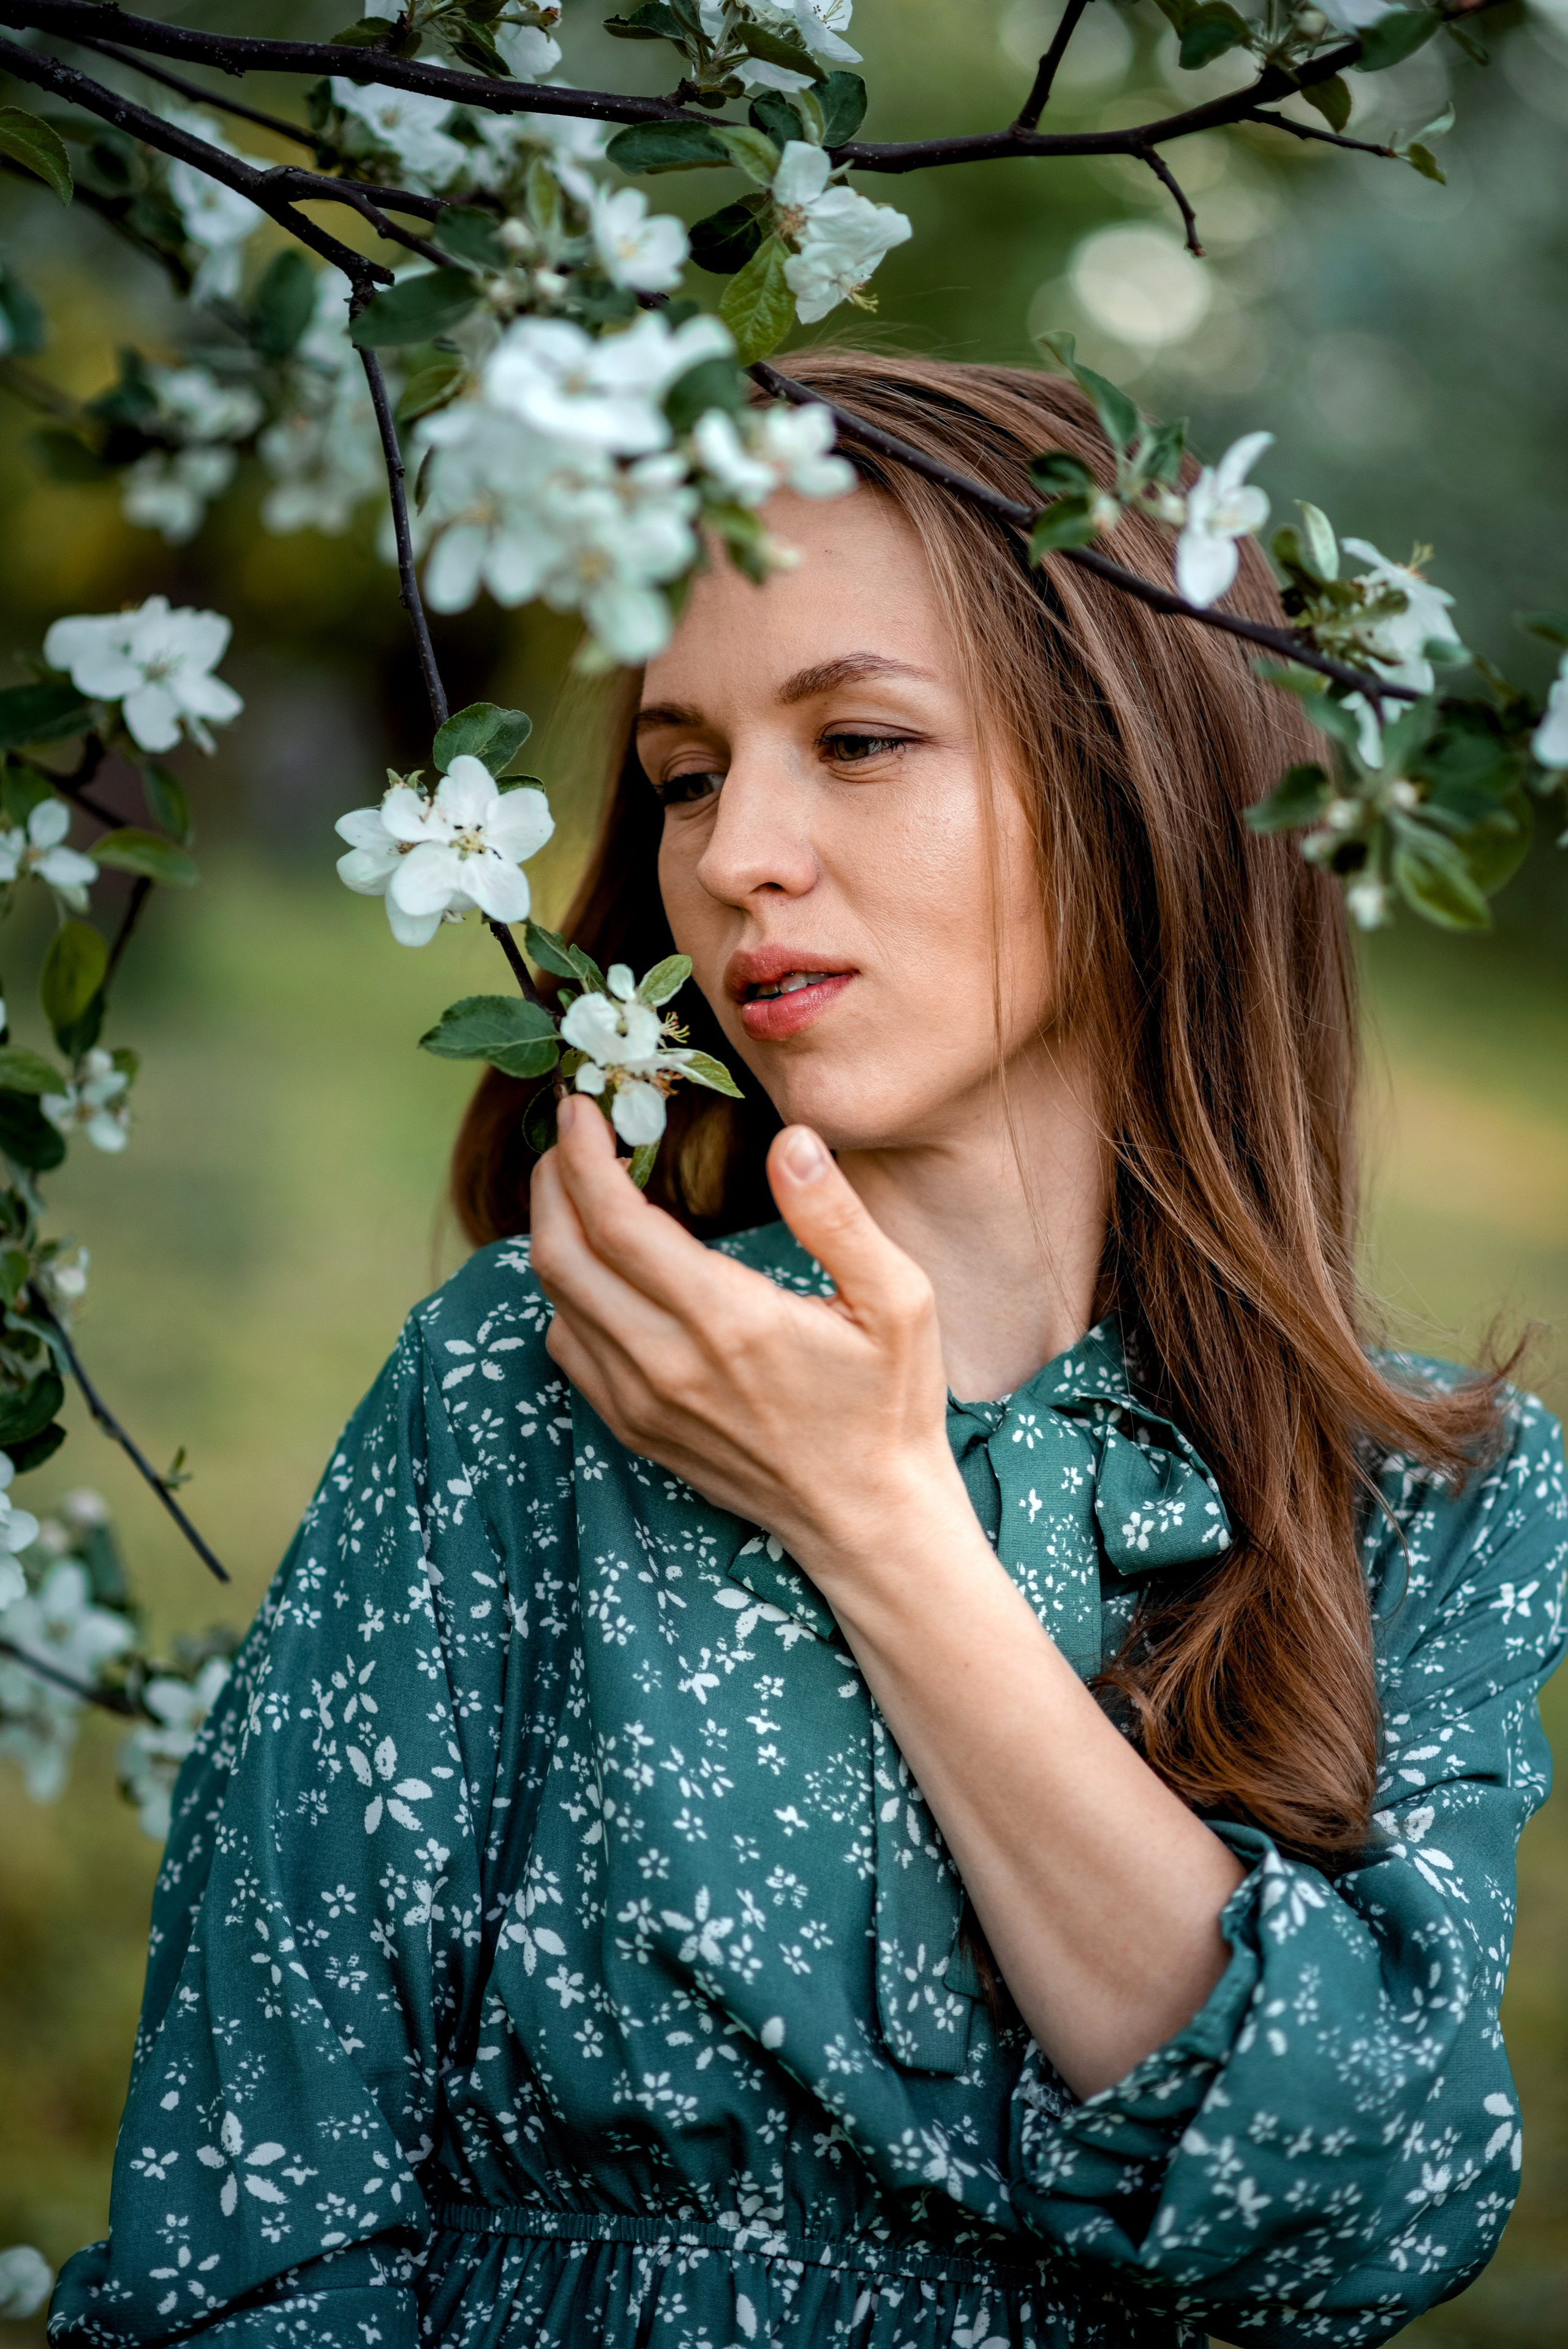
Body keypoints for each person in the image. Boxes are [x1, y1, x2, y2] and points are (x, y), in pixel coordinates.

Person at [52, 353, 1566, 2349]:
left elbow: (1369, 2205)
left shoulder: (1432, 1495)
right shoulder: (529, 1387)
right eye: (685, 773)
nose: (734, 853)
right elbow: (241, 2241)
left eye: (855, 738)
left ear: (1141, 778)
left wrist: (875, 1515)